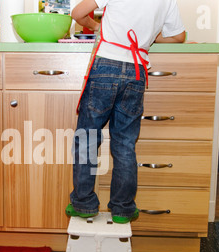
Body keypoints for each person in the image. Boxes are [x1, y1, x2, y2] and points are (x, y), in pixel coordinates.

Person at [66, 0, 186, 224]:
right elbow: (179, 37)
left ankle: (83, 203)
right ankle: (123, 208)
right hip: (136, 69)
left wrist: (95, 26)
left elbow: (78, 13)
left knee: (87, 139)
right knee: (125, 143)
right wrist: (149, 37)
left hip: (107, 65)